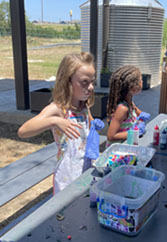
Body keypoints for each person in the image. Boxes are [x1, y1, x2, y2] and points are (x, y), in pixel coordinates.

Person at [18, 52, 103, 195]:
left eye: (92, 82)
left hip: (86, 169)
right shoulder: (58, 109)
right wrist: (54, 121)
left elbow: (87, 128)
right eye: (84, 82)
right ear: (67, 81)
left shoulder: (84, 106)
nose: (91, 87)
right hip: (67, 176)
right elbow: (23, 131)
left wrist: (94, 125)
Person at [106, 65, 150, 146]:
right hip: (117, 152)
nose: (142, 82)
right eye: (140, 80)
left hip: (127, 146)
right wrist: (134, 133)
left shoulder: (130, 103)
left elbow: (137, 112)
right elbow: (111, 136)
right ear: (133, 88)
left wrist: (142, 116)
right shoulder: (122, 109)